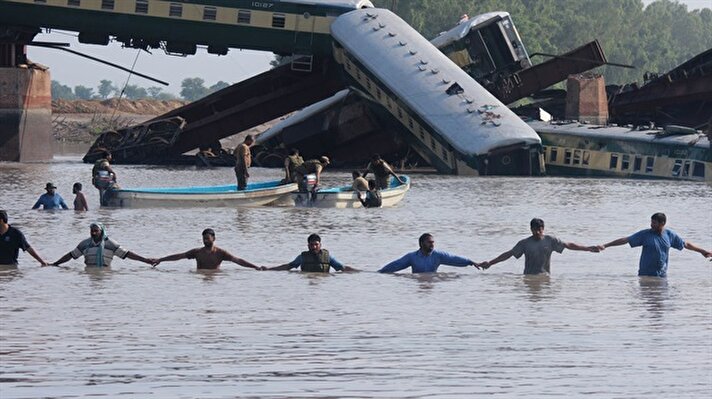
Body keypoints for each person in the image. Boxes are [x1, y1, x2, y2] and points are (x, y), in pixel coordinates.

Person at [596, 212, 711, 277]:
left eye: (654, 223)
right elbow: (626, 240)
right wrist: (606, 245)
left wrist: (703, 251)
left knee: (660, 302)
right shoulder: (645, 234)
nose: (651, 225)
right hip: (645, 275)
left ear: (662, 223)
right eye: (651, 222)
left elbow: (685, 244)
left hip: (662, 275)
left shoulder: (669, 234)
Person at [478, 218, 599, 275]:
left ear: (543, 229)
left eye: (539, 230)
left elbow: (568, 245)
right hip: (529, 276)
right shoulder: (524, 243)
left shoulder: (550, 240)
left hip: (545, 277)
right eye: (534, 230)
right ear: (531, 229)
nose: (537, 232)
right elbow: (509, 254)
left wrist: (588, 248)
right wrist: (490, 263)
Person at [152, 228, 263, 270]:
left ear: (214, 238)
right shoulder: (197, 252)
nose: (205, 241)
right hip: (200, 277)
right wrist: (160, 259)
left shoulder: (221, 253)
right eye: (204, 239)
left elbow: (238, 260)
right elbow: (179, 256)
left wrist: (255, 267)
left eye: (207, 239)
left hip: (215, 276)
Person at [52, 223, 155, 268]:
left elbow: (127, 254)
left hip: (105, 270)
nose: (93, 233)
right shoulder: (85, 244)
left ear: (101, 231)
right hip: (89, 269)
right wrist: (55, 264)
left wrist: (146, 260)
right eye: (92, 231)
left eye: (96, 231)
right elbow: (71, 255)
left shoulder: (110, 244)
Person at [378, 233, 479, 273]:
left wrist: (471, 262)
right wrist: (380, 272)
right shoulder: (412, 257)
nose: (432, 245)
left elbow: (454, 259)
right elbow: (396, 265)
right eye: (429, 243)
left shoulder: (438, 255)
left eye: (433, 242)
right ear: (421, 244)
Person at [268, 233, 357, 272]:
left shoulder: (328, 257)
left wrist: (358, 271)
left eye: (316, 244)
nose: (314, 247)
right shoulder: (302, 257)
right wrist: (269, 269)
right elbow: (288, 266)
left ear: (320, 245)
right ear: (308, 246)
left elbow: (343, 268)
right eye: (311, 245)